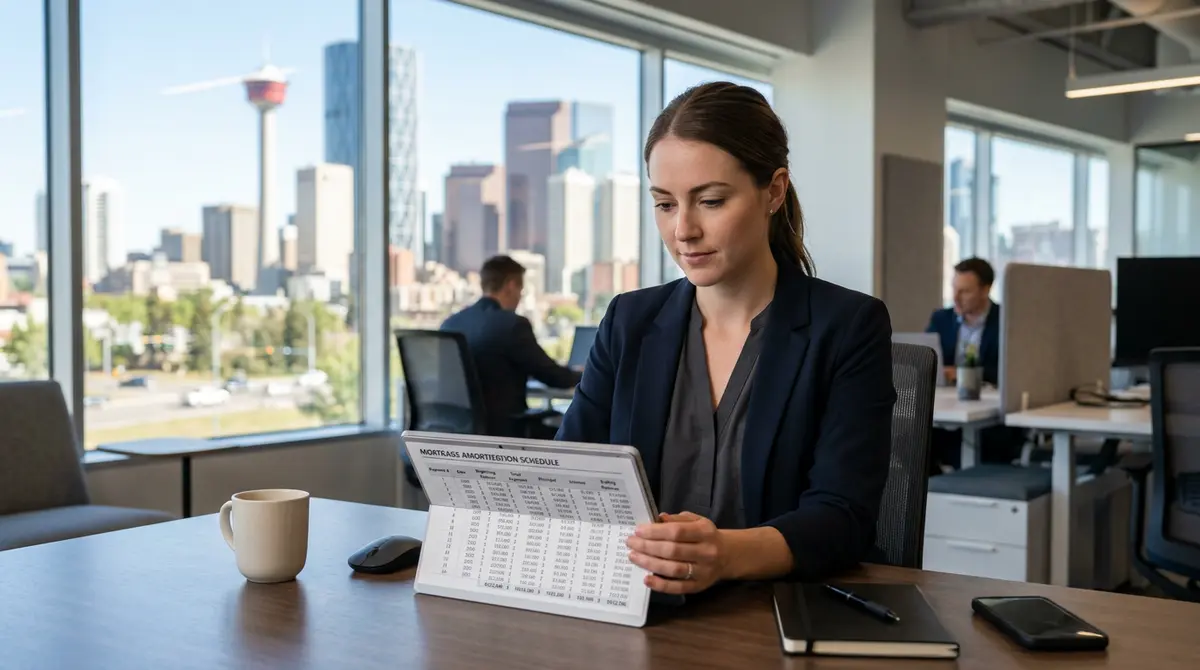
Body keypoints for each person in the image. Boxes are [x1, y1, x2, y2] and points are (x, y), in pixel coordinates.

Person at [555, 82, 896, 595]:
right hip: (641, 608)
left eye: (710, 201)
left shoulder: (848, 326)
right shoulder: (629, 320)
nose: (683, 230)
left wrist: (726, 555)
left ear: (774, 192)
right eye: (665, 205)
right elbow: (570, 473)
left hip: (778, 614)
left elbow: (843, 516)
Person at [441, 255, 581, 437]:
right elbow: (554, 377)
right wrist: (587, 373)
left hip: (457, 433)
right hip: (504, 435)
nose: (519, 297)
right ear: (511, 285)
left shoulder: (451, 323)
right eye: (520, 290)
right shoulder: (512, 324)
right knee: (573, 429)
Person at [926, 258, 1000, 385]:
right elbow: (925, 362)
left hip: (989, 397)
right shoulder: (941, 319)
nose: (955, 298)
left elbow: (1010, 371)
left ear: (985, 290)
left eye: (964, 291)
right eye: (954, 289)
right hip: (945, 398)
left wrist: (961, 373)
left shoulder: (1006, 322)